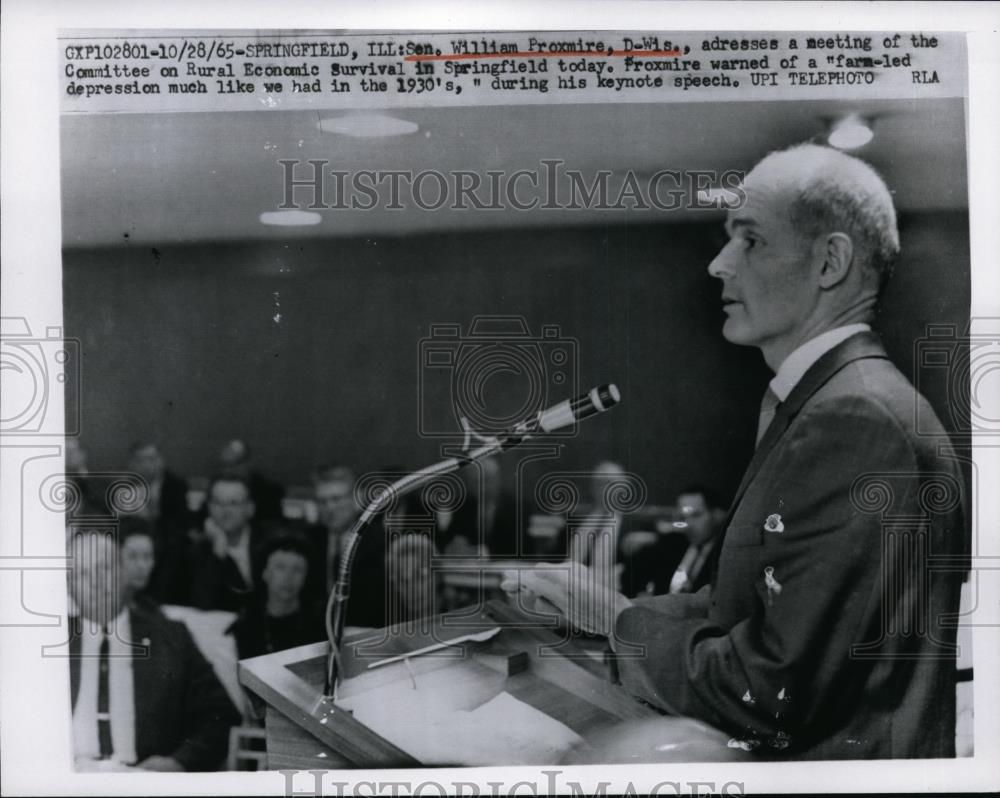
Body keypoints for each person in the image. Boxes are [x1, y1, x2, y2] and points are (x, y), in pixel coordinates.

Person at [504, 143, 966, 759]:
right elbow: (744, 603)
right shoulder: (834, 399)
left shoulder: (855, 418)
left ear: (830, 262)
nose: (719, 264)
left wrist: (618, 619)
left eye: (750, 241)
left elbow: (772, 689)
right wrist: (593, 606)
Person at [67, 525, 240, 771]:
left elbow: (220, 716)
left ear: (122, 572)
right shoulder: (46, 644)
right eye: (82, 574)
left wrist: (179, 762)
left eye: (104, 568)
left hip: (143, 780)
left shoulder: (170, 638)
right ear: (69, 587)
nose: (95, 583)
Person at [307, 465, 387, 629]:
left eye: (336, 499)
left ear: (356, 500)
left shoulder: (381, 543)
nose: (329, 508)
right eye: (322, 501)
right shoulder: (309, 541)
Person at [227, 533, 325, 660]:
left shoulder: (320, 626)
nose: (288, 578)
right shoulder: (247, 625)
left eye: (297, 570)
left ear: (306, 578)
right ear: (265, 573)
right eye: (280, 567)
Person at [188, 476, 273, 613]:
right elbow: (202, 604)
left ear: (250, 508)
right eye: (218, 503)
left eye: (233, 503)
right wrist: (218, 553)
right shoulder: (196, 548)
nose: (225, 511)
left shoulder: (268, 544)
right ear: (208, 507)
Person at [619, 486, 723, 598]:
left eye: (696, 515)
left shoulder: (724, 552)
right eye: (683, 517)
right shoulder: (674, 543)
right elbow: (630, 575)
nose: (689, 524)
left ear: (716, 515)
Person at [216, 439, 285, 522]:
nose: (228, 471)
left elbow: (272, 526)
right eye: (224, 466)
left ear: (248, 464)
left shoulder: (268, 493)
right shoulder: (214, 490)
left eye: (234, 464)